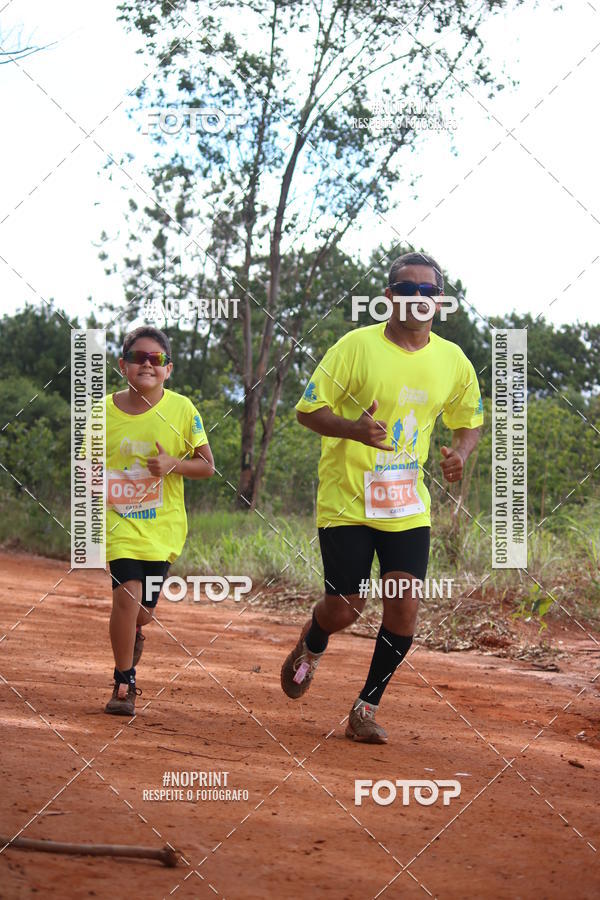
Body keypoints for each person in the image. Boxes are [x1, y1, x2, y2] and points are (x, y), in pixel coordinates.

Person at [281, 252, 483, 743]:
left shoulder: (452, 360)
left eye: (427, 291)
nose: (418, 299)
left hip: (407, 507)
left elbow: (468, 422)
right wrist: (353, 429)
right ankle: (314, 639)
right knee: (346, 607)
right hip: (347, 499)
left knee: (403, 605)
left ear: (440, 299)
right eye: (407, 290)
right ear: (389, 297)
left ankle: (366, 707)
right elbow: (307, 411)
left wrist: (458, 452)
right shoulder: (355, 347)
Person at [102, 326, 214, 715]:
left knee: (143, 611)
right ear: (123, 365)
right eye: (138, 358)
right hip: (118, 525)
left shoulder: (183, 410)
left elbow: (207, 467)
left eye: (156, 359)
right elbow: (84, 465)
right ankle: (124, 680)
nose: (147, 365)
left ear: (169, 369)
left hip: (163, 528)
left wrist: (173, 465)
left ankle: (133, 632)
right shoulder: (102, 411)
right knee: (126, 596)